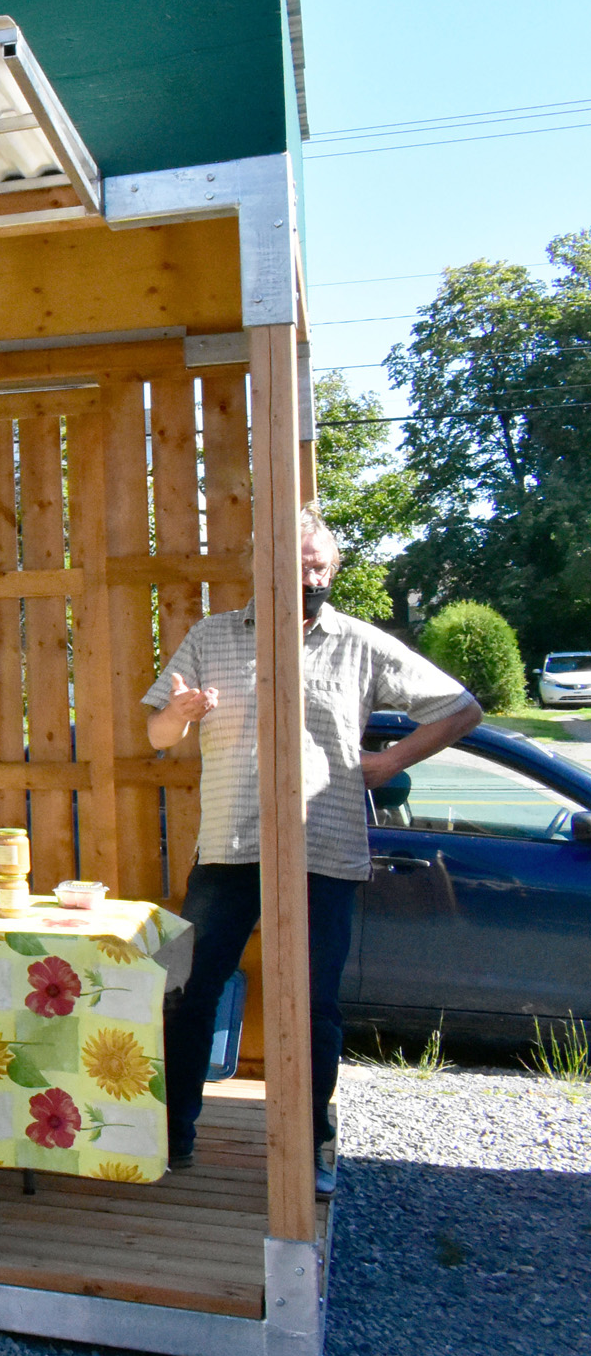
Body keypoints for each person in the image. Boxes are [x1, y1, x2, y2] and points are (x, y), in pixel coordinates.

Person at [141, 505, 479, 1196]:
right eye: (298, 567)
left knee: (317, 1004)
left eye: (320, 566)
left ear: (335, 568)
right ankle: (174, 1135)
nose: (311, 577)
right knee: (191, 991)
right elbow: (156, 733)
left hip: (323, 850)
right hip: (230, 846)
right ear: (264, 567)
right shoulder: (212, 636)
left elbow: (461, 707)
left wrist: (387, 764)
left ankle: (312, 1147)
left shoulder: (358, 642)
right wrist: (179, 714)